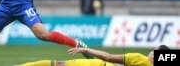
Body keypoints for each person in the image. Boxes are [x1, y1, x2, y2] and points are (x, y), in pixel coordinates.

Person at [15, 44, 170, 66]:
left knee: (59, 64)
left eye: (154, 50)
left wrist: (88, 50)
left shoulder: (140, 59)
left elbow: (108, 57)